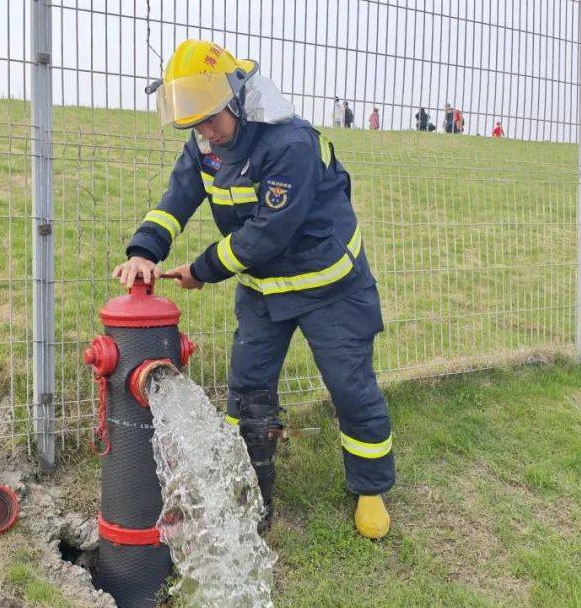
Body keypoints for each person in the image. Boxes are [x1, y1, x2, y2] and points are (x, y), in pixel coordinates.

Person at [115, 40, 395, 539]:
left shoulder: (290, 144)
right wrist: (144, 250)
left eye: (210, 120)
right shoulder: (204, 142)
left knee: (351, 387)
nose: (204, 133)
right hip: (264, 290)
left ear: (238, 101)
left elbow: (267, 234)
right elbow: (175, 199)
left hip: (330, 286)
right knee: (245, 392)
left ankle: (370, 487)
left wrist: (201, 269)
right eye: (193, 123)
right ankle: (249, 491)